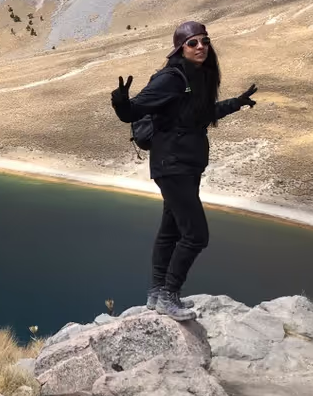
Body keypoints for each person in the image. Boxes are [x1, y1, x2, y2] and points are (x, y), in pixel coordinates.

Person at [110, 21, 258, 321]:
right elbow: (132, 112)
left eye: (204, 41)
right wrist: (121, 100)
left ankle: (155, 294)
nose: (201, 46)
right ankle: (169, 294)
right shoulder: (171, 78)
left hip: (188, 166)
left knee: (171, 230)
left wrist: (236, 103)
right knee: (196, 235)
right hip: (171, 165)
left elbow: (203, 115)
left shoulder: (198, 78)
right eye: (192, 43)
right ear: (180, 48)